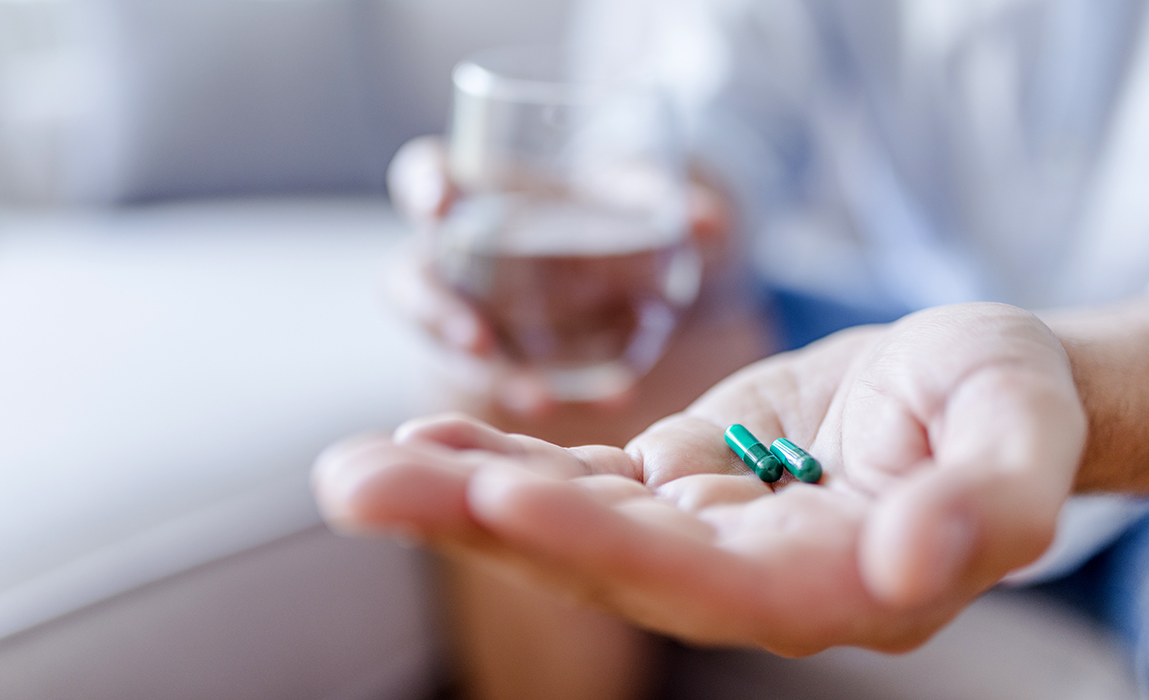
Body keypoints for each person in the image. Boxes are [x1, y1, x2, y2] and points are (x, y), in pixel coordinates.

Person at [319, 0, 1149, 696]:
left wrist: (1099, 385)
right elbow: (724, 95)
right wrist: (632, 221)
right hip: (908, 315)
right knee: (535, 354)